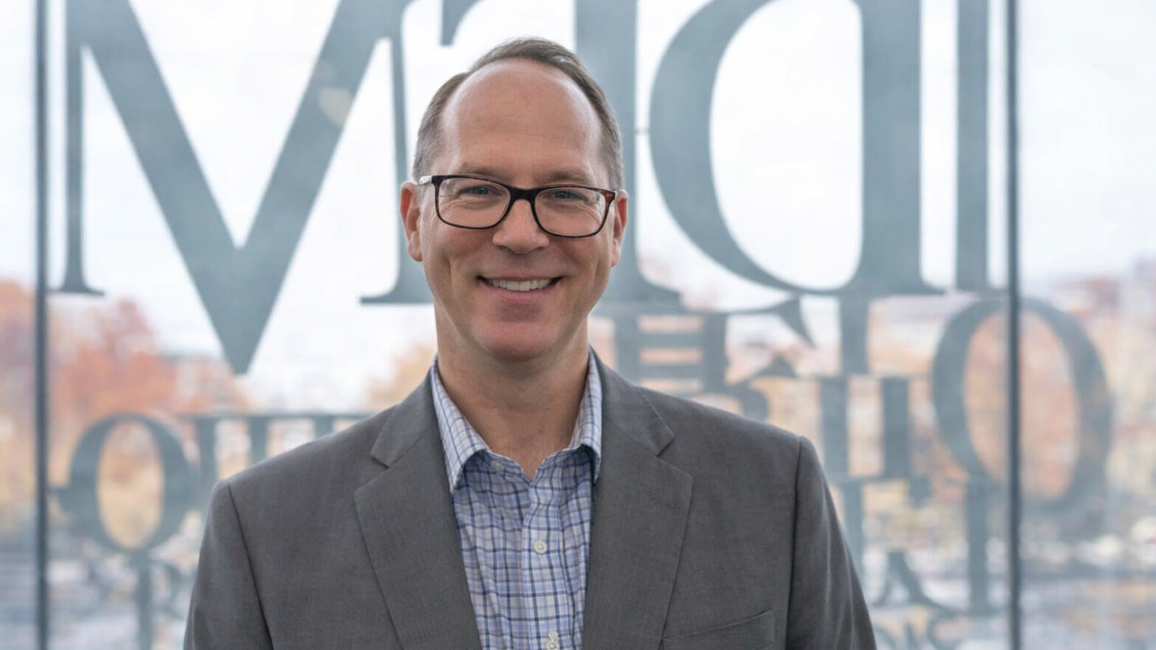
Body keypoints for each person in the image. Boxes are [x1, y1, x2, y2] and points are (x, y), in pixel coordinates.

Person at [185, 37, 875, 650]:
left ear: (615, 228)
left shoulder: (770, 492)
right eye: (479, 188)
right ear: (414, 220)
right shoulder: (266, 531)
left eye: (566, 193)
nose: (520, 235)